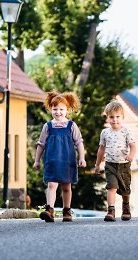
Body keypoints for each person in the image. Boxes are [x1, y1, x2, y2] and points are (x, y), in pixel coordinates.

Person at [34, 90, 86, 222]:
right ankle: (49, 210)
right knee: (51, 185)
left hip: (67, 161)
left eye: (61, 109)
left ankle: (67, 210)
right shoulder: (48, 126)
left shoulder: (71, 126)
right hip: (51, 161)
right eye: (55, 109)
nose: (58, 112)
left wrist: (82, 157)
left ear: (67, 110)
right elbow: (41, 144)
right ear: (50, 109)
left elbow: (79, 142)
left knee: (66, 187)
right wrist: (37, 161)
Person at [94, 100, 136, 222]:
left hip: (124, 165)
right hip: (110, 165)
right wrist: (97, 164)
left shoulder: (126, 131)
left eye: (117, 117)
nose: (114, 119)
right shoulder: (105, 132)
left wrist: (131, 156)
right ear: (107, 118)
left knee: (125, 189)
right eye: (111, 117)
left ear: (122, 117)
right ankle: (111, 211)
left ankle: (126, 207)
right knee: (111, 187)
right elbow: (101, 149)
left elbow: (133, 146)